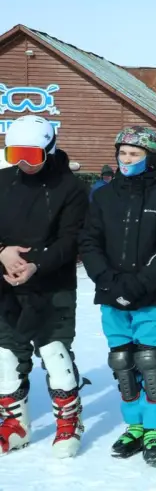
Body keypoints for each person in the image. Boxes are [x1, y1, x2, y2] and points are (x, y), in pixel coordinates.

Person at [78, 125, 156, 465]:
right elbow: (89, 241)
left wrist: (138, 284)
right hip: (111, 294)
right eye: (123, 153)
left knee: (150, 364)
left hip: (151, 296)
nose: (127, 160)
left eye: (135, 154)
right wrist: (108, 281)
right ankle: (135, 425)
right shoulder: (103, 195)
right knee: (123, 364)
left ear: (151, 157)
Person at [0, 115, 88, 458]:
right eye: (15, 153)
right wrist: (3, 254)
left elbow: (71, 239)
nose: (23, 163)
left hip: (53, 284)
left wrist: (37, 264)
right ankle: (14, 423)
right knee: (6, 355)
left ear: (49, 150)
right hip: (6, 284)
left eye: (31, 155)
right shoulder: (2, 182)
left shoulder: (71, 188)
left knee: (55, 353)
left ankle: (68, 420)